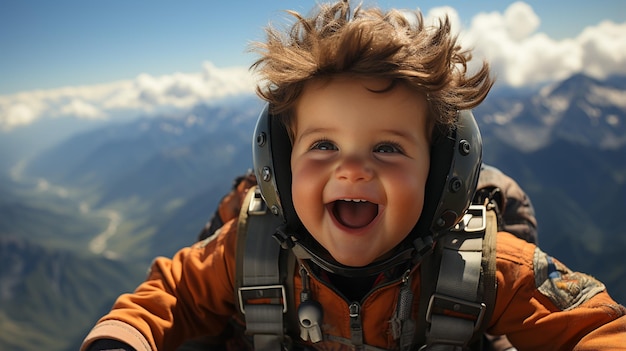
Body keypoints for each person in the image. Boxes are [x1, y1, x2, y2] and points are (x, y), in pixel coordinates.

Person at [81, 1, 626, 350]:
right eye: (322, 145)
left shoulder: (486, 266)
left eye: (388, 148)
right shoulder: (247, 249)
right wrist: (120, 340)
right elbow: (170, 294)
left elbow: (598, 327)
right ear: (279, 168)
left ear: (442, 175)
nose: (352, 167)